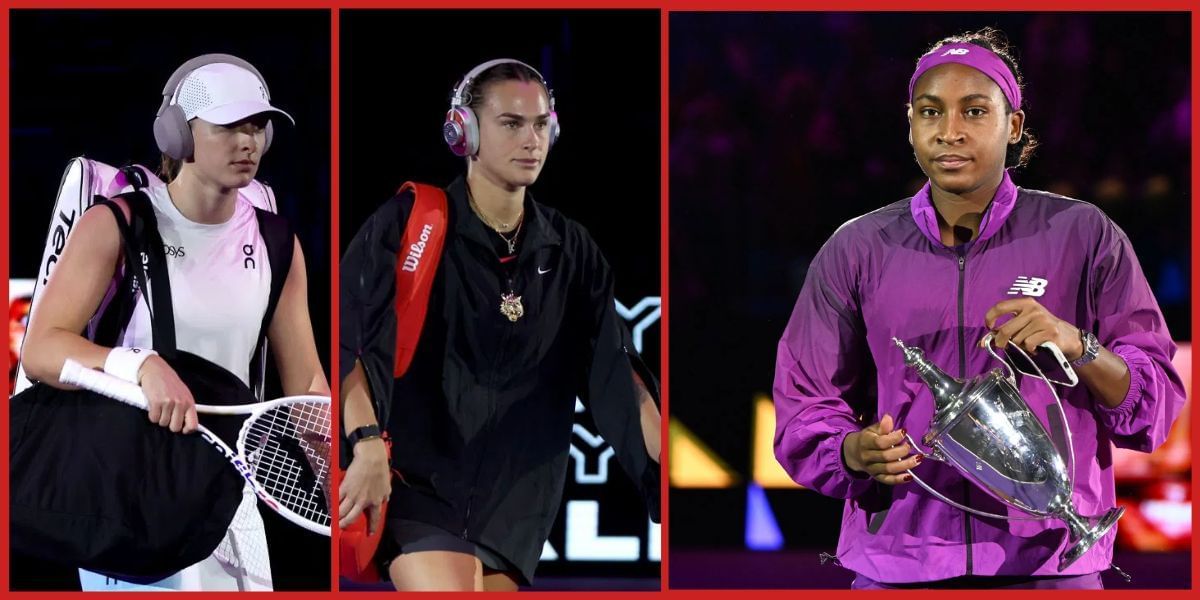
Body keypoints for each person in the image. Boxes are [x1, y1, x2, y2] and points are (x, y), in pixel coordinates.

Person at [772, 28, 1185, 590]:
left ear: (1013, 126)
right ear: (910, 124)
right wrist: (850, 451)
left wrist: (1077, 345)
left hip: (1050, 561)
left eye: (974, 111)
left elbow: (1154, 406)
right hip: (901, 556)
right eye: (930, 112)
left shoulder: (1083, 234)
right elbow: (805, 401)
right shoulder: (856, 248)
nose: (949, 132)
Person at [338, 58, 661, 591]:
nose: (530, 140)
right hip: (415, 480)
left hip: (517, 500)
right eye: (511, 124)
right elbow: (351, 342)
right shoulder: (408, 223)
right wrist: (366, 442)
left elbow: (614, 374)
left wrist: (661, 473)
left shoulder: (573, 250)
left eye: (540, 124)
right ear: (462, 130)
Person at [20, 54, 330, 591]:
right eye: (230, 126)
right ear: (178, 135)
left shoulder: (278, 241)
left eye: (258, 126)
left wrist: (336, 474)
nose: (248, 141)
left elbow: (305, 384)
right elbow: (41, 350)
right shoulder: (117, 222)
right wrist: (141, 365)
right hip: (132, 487)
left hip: (228, 491)